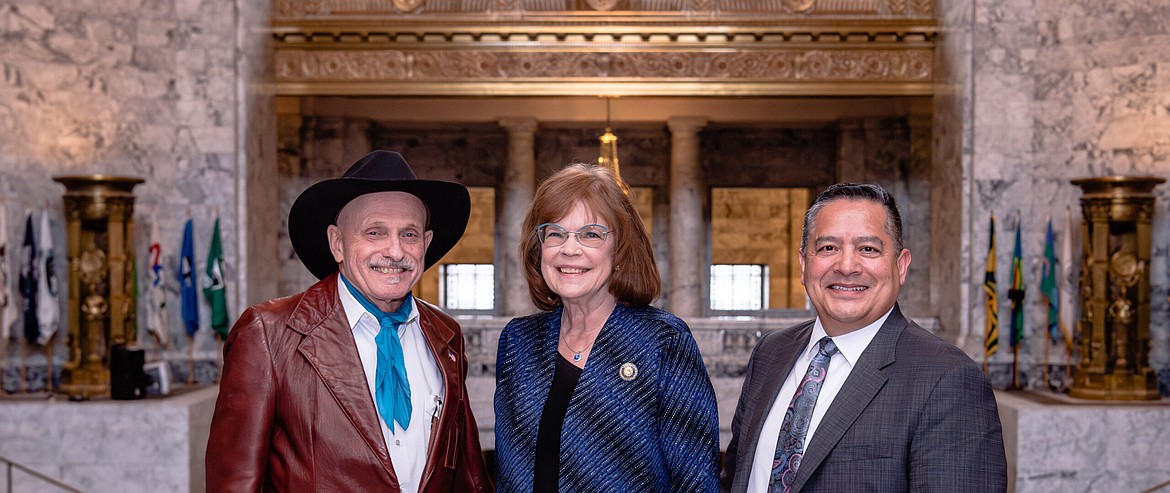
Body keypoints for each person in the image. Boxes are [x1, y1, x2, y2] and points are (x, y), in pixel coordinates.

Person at [206, 150, 493, 492]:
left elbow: (469, 473)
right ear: (337, 243)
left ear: (426, 244)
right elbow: (234, 483)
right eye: (374, 232)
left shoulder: (446, 336)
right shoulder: (268, 334)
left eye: (410, 234)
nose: (396, 251)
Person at [720, 183, 1007, 493]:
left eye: (868, 249)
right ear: (804, 265)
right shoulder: (771, 353)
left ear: (900, 266)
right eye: (828, 248)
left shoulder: (948, 379)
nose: (846, 266)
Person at [494, 163, 721, 492]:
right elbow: (507, 474)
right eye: (555, 233)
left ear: (620, 250)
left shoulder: (662, 341)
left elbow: (697, 482)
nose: (570, 249)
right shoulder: (519, 341)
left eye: (590, 234)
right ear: (539, 247)